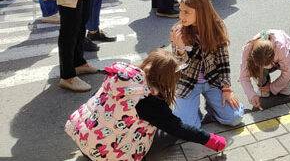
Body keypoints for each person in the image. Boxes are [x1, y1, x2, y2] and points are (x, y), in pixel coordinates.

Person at [66, 49, 228, 160]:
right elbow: (177, 127)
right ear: (166, 80)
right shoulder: (149, 100)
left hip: (84, 139)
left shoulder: (121, 79)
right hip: (106, 155)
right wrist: (210, 139)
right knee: (170, 132)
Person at [171, 0, 245, 128]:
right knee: (189, 127)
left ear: (201, 12)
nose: (181, 16)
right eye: (180, 10)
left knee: (235, 118)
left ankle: (212, 108)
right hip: (187, 84)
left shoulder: (216, 27)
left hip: (212, 81)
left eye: (186, 12)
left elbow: (223, 61)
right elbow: (177, 67)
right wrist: (181, 50)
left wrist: (227, 89)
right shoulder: (178, 31)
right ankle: (193, 111)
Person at [239, 30, 290, 109]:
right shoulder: (248, 49)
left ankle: (284, 82)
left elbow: (287, 71)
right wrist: (252, 96)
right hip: (265, 61)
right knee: (264, 92)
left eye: (266, 65)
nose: (264, 67)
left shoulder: (280, 47)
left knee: (285, 91)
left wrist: (272, 87)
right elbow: (244, 77)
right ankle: (264, 83)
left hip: (285, 56)